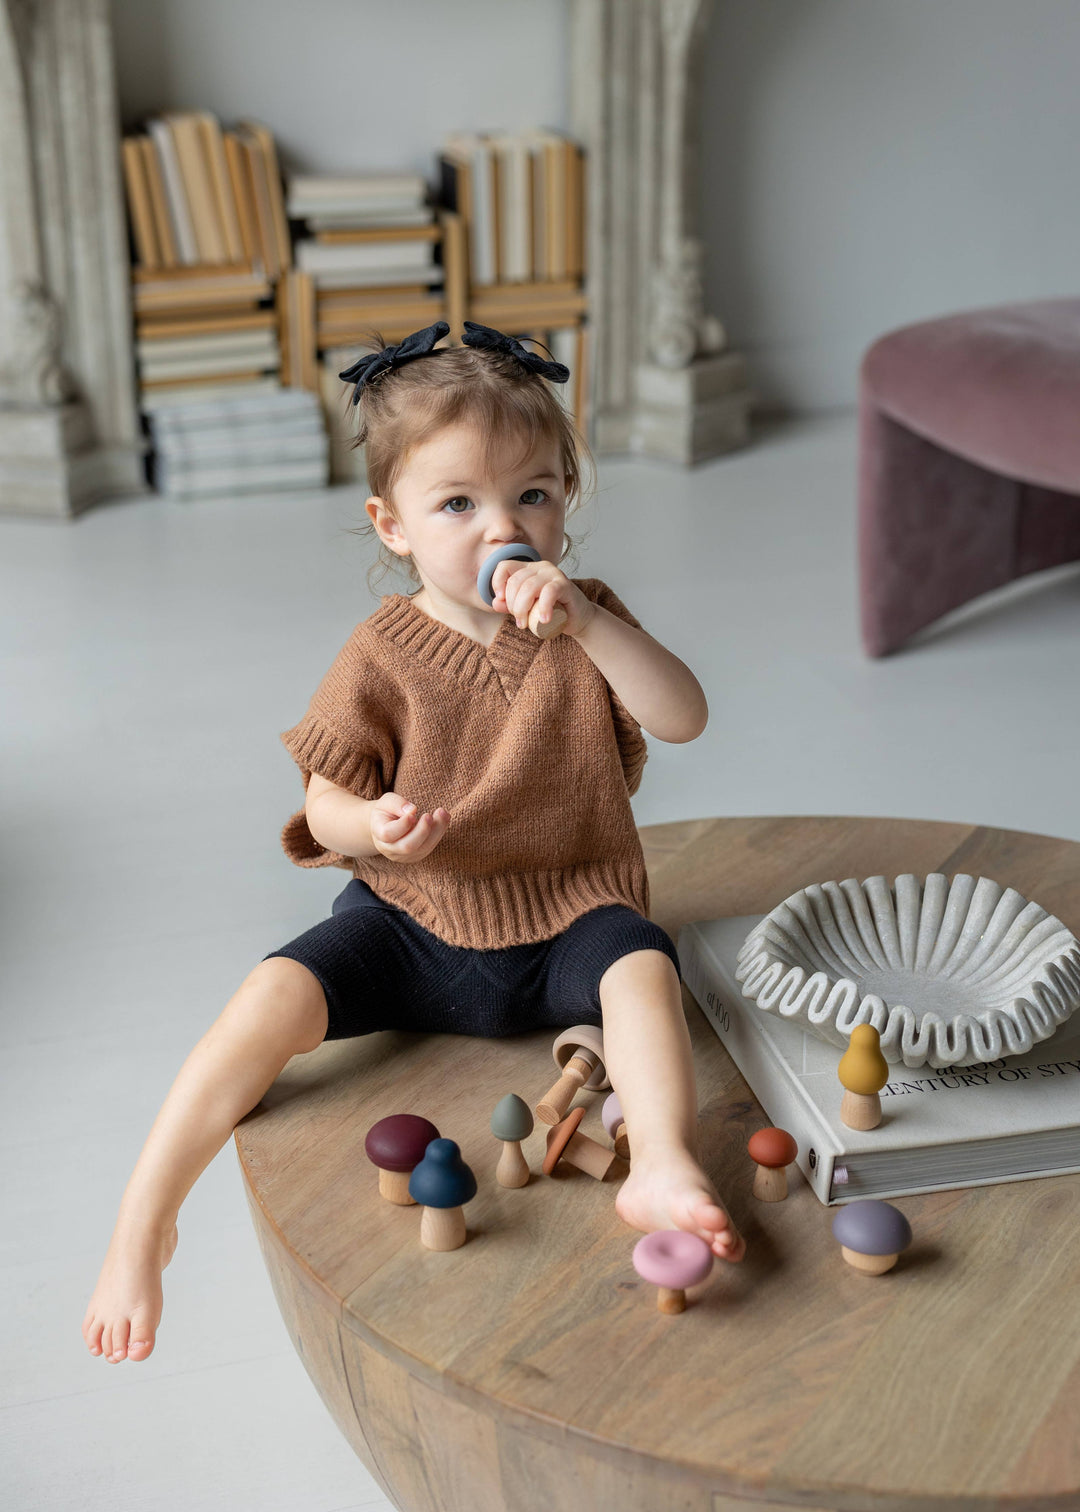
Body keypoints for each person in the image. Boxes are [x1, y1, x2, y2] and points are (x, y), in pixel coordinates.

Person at [82, 320, 745, 1367]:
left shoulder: (584, 620)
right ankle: (147, 1211)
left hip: (567, 917)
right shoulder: (382, 652)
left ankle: (661, 1159)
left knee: (644, 969)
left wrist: (591, 627)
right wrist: (372, 824)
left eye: (534, 493)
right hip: (416, 922)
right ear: (391, 524)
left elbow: (684, 716)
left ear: (566, 498)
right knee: (268, 998)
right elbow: (326, 800)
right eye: (458, 505)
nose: (504, 528)